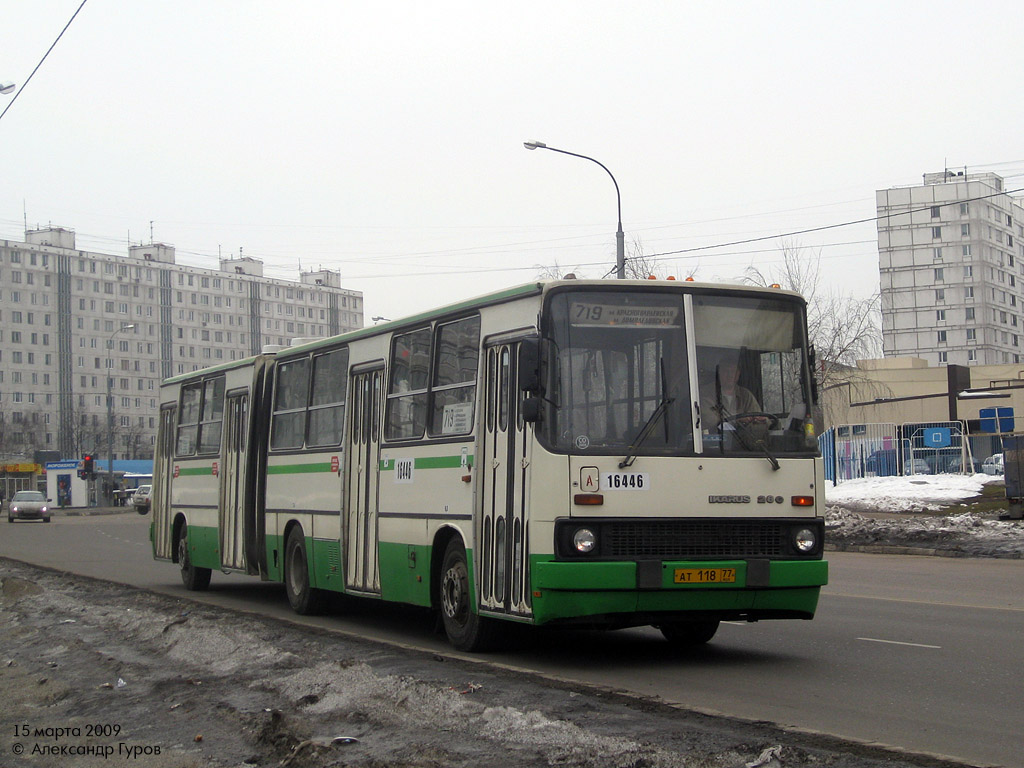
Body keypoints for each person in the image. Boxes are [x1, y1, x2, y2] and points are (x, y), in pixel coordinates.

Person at [700, 360, 763, 431]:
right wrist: (737, 420)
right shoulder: (706, 393)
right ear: (719, 373)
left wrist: (759, 420)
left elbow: (759, 417)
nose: (730, 375)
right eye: (726, 371)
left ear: (738, 374)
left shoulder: (745, 395)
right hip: (714, 438)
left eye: (733, 371)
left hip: (742, 439)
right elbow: (710, 420)